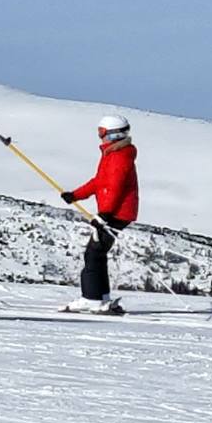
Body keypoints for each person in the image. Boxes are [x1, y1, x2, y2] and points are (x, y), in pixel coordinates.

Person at [59, 114, 139, 313]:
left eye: (101, 133)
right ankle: (101, 296)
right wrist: (76, 195)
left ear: (112, 134)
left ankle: (91, 298)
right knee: (98, 253)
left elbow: (115, 187)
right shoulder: (113, 154)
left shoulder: (119, 157)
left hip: (116, 213)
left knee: (93, 254)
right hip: (116, 211)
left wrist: (104, 214)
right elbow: (99, 182)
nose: (100, 137)